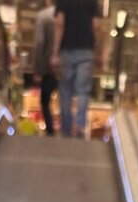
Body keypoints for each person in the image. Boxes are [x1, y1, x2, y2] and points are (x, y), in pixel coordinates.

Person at [53, 0, 99, 139]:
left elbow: (60, 24)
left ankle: (66, 130)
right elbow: (96, 26)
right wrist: (99, 49)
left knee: (66, 91)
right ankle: (80, 126)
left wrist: (55, 52)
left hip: (67, 50)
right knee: (83, 91)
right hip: (86, 50)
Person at [32, 4, 58, 138]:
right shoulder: (66, 14)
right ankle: (68, 131)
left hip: (48, 67)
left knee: (45, 101)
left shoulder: (43, 16)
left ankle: (50, 131)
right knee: (65, 99)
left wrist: (38, 69)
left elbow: (39, 43)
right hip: (65, 65)